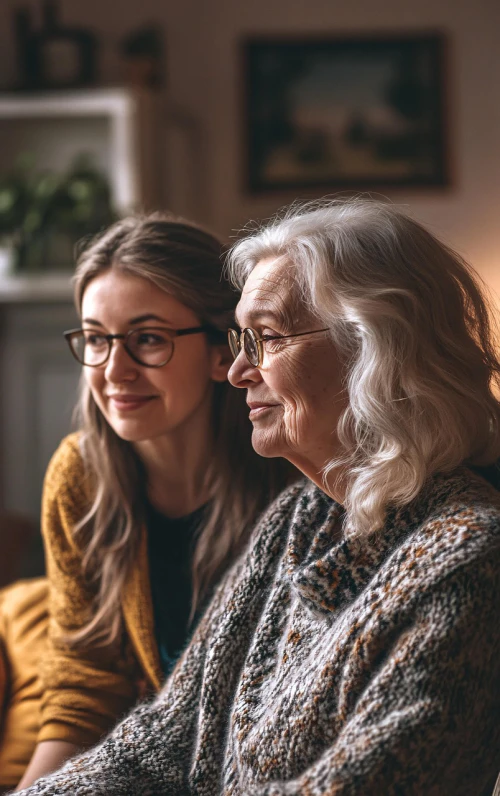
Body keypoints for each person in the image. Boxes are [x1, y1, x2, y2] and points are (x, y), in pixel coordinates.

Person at [15, 198, 500, 796]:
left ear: (375, 347)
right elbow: (164, 739)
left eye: (266, 337)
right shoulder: (300, 517)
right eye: (241, 339)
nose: (237, 370)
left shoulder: (466, 556)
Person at [0, 213, 295, 792]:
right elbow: (84, 682)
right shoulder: (80, 477)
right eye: (96, 339)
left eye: (148, 339)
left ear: (222, 353)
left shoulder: (291, 474)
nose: (115, 370)